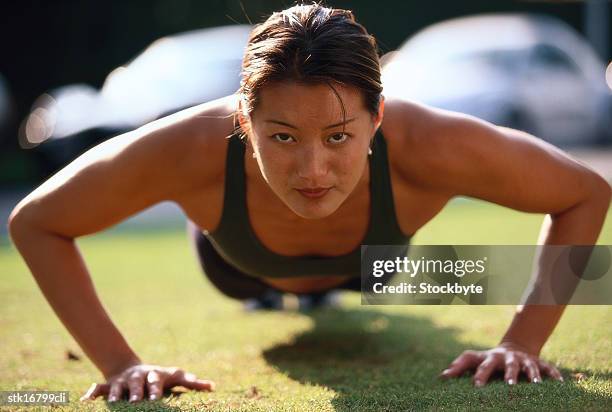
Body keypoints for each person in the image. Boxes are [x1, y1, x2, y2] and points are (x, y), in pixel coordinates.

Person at [7, 3, 611, 404]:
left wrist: (521, 343)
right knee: (255, 284)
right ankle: (281, 293)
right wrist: (118, 364)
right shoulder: (187, 147)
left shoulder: (431, 143)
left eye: (340, 136)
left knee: (416, 275)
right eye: (283, 137)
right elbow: (37, 222)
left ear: (378, 118)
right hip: (240, 268)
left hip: (375, 263)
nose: (313, 170)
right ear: (245, 119)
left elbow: (585, 193)